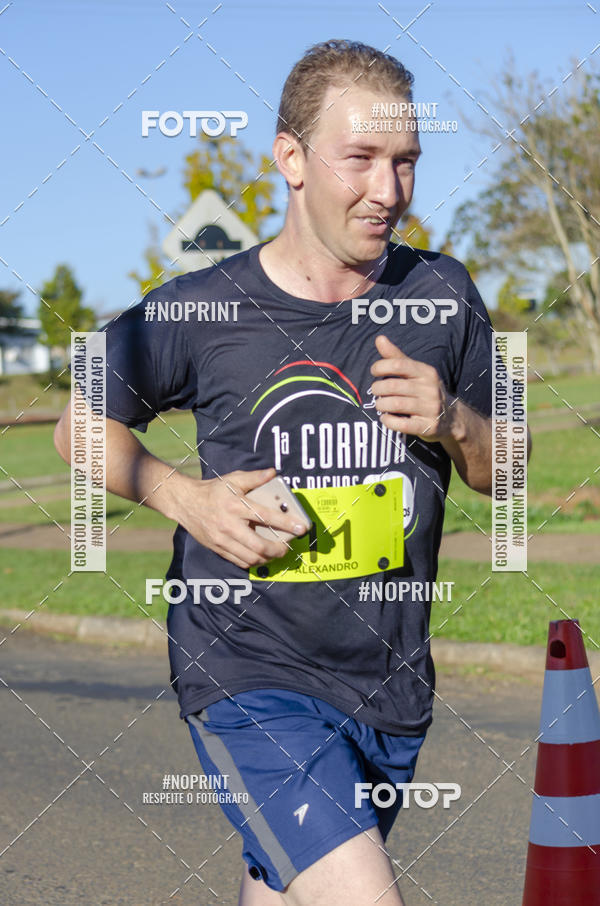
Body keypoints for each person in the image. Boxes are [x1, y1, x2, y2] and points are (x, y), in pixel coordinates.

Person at [55, 39, 524, 906]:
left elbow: (511, 470)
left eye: (407, 162)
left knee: (284, 888)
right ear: (291, 159)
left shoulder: (444, 296)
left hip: (389, 684)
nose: (389, 192)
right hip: (247, 670)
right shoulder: (203, 307)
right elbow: (74, 423)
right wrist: (182, 496)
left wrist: (454, 422)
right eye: (362, 160)